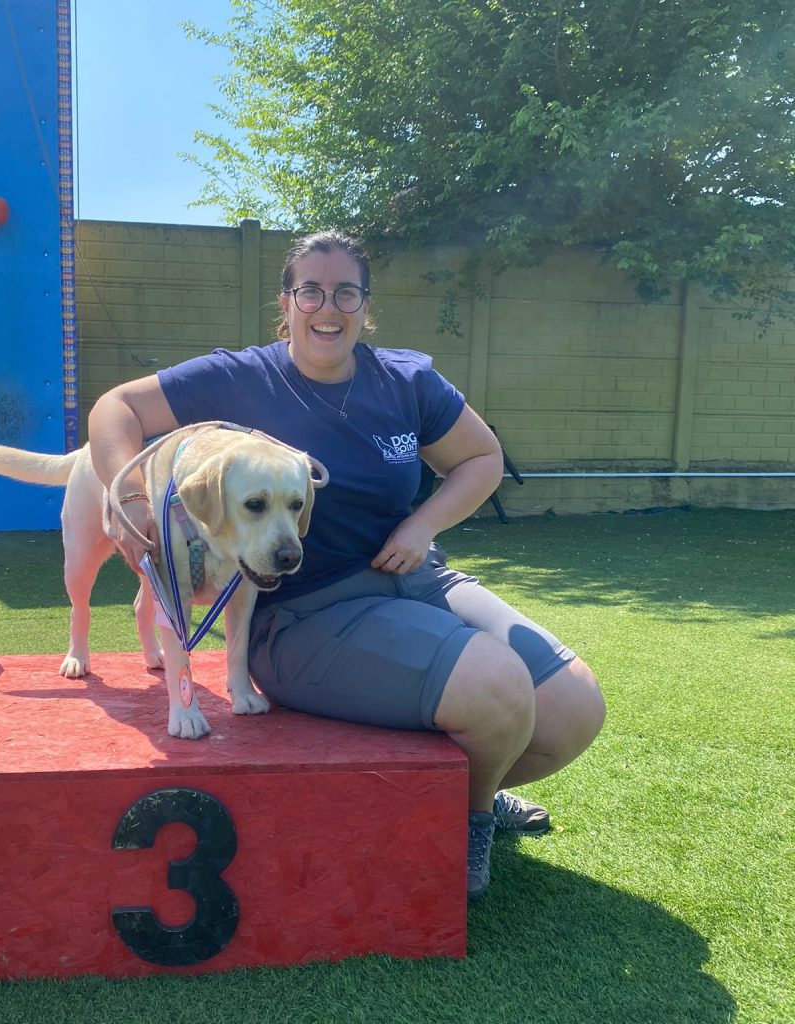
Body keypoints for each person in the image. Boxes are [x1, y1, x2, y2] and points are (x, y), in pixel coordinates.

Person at [88, 230, 606, 901]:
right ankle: (471, 821)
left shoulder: (406, 380)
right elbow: (116, 407)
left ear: (365, 305)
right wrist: (127, 496)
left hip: (413, 579)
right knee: (498, 688)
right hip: (302, 616)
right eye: (310, 291)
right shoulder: (241, 377)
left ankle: (461, 783)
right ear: (286, 302)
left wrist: (423, 524)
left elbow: (483, 459)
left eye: (345, 292)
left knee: (573, 709)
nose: (327, 307)